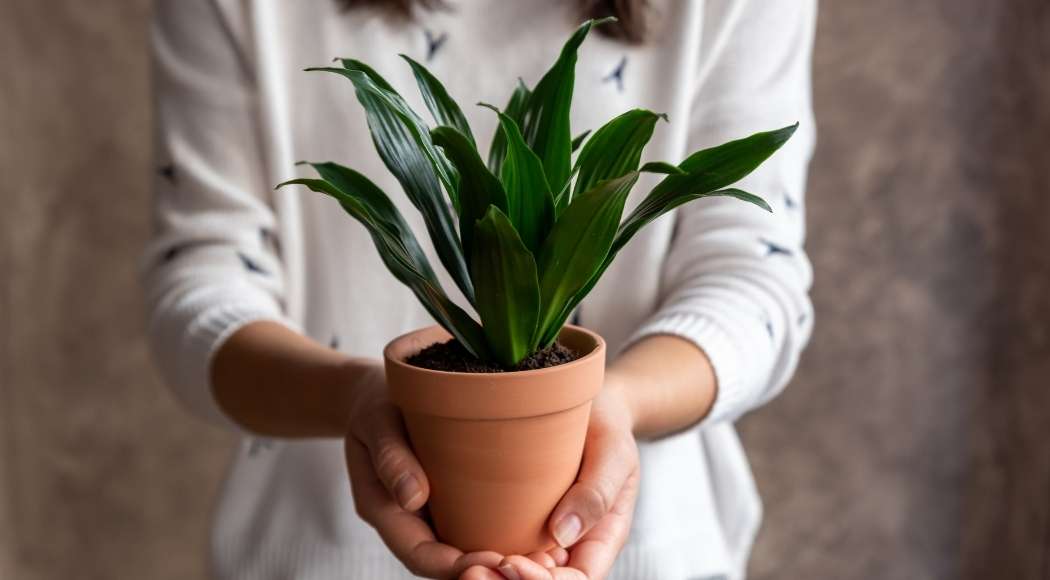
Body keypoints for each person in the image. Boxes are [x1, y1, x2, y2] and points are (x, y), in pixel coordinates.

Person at [143, 0, 815, 578]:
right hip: (312, 554)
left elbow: (752, 273)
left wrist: (618, 403)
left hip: (646, 554)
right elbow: (202, 272)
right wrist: (351, 396)